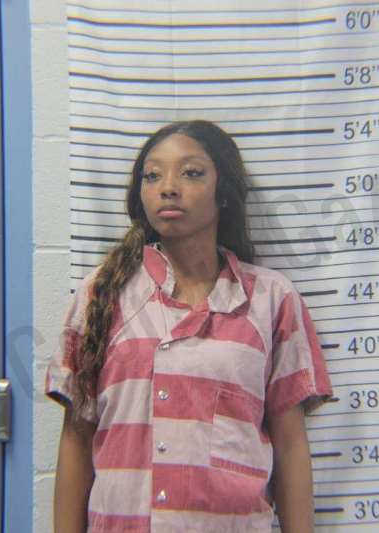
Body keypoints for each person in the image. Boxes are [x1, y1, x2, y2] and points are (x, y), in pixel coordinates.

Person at [46, 120, 333, 533]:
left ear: (224, 192)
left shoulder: (272, 299)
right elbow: (76, 439)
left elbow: (290, 446)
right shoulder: (100, 295)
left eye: (191, 172)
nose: (168, 187)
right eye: (152, 175)